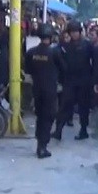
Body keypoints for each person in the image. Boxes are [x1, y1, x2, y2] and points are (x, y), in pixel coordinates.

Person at [24, 24, 64, 159]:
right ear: (51, 37)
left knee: (40, 116)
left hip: (36, 89)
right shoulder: (55, 53)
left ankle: (39, 143)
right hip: (50, 90)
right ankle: (43, 146)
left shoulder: (31, 52)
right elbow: (63, 68)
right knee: (48, 116)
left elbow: (28, 69)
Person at [53, 21, 94, 141]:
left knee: (83, 107)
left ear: (80, 32)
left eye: (76, 32)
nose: (74, 34)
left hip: (84, 80)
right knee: (65, 106)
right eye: (72, 32)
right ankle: (58, 130)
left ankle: (83, 130)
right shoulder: (65, 46)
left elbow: (94, 62)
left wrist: (93, 79)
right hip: (70, 80)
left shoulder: (87, 45)